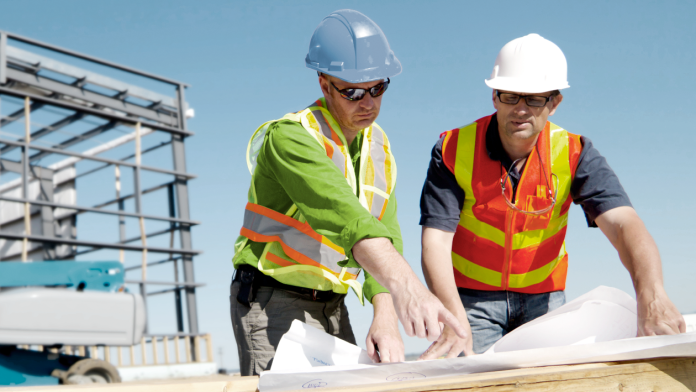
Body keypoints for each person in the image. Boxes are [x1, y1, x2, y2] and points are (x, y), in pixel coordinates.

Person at [419, 33, 686, 358]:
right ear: (494, 96)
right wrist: (451, 314)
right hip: (470, 301)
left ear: (554, 103)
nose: (520, 109)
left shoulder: (576, 153)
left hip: (544, 300)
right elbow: (435, 241)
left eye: (533, 99)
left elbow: (623, 224)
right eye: (510, 96)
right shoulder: (451, 149)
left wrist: (652, 294)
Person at [230, 9, 465, 376]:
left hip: (333, 304)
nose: (368, 102)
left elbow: (384, 230)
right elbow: (349, 220)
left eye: (377, 88)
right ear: (324, 85)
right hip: (272, 299)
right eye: (353, 91)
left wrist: (384, 313)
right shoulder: (291, 138)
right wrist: (409, 288)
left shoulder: (378, 145)